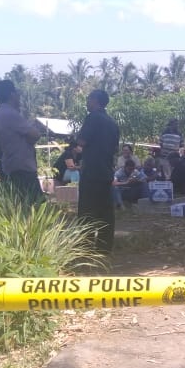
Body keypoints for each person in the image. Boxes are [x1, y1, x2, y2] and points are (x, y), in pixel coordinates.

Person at [77, 89, 120, 257]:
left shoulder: (93, 117)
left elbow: (81, 141)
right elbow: (115, 148)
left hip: (91, 171)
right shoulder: (112, 122)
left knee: (87, 212)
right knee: (105, 213)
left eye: (89, 99)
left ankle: (85, 250)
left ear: (95, 100)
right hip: (106, 172)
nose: (87, 102)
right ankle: (104, 249)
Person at [0, 79, 49, 204]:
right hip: (21, 167)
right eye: (17, 93)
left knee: (25, 204)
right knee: (35, 205)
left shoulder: (2, 113)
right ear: (12, 94)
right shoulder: (10, 114)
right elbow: (34, 135)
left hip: (14, 165)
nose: (19, 96)